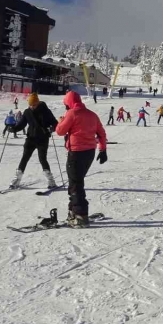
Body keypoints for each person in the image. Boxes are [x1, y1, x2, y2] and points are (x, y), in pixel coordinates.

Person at [55, 91, 107, 228]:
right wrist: (102, 149)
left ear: (69, 103)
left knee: (76, 184)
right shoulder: (91, 114)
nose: (66, 107)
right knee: (76, 181)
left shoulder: (72, 113)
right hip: (89, 152)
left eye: (66, 104)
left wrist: (60, 121)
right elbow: (101, 133)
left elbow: (60, 131)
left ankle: (80, 215)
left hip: (76, 153)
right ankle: (73, 212)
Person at [9, 93, 60, 189]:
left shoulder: (46, 111)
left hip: (43, 139)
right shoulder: (27, 112)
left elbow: (55, 123)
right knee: (24, 158)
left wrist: (51, 128)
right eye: (30, 105)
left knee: (42, 159)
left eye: (34, 105)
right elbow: (22, 124)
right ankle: (16, 180)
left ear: (38, 103)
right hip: (30, 138)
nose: (32, 107)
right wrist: (13, 129)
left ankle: (51, 181)